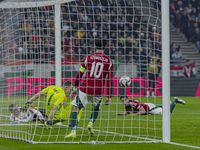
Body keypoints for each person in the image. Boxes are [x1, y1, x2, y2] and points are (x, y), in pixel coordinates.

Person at [66, 38, 113, 138]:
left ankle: (73, 131)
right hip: (98, 90)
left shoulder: (88, 58)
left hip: (85, 88)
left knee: (75, 108)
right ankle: (90, 123)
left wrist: (75, 86)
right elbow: (109, 81)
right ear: (105, 47)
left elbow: (80, 73)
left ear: (95, 46)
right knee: (95, 108)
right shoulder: (109, 62)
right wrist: (109, 96)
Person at [116, 96, 185, 116]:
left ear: (128, 99)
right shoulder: (126, 105)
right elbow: (127, 113)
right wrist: (120, 114)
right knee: (161, 108)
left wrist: (133, 115)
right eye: (122, 101)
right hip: (147, 108)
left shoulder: (134, 102)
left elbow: (142, 111)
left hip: (150, 108)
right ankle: (167, 104)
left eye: (125, 100)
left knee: (167, 113)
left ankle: (175, 100)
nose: (124, 102)